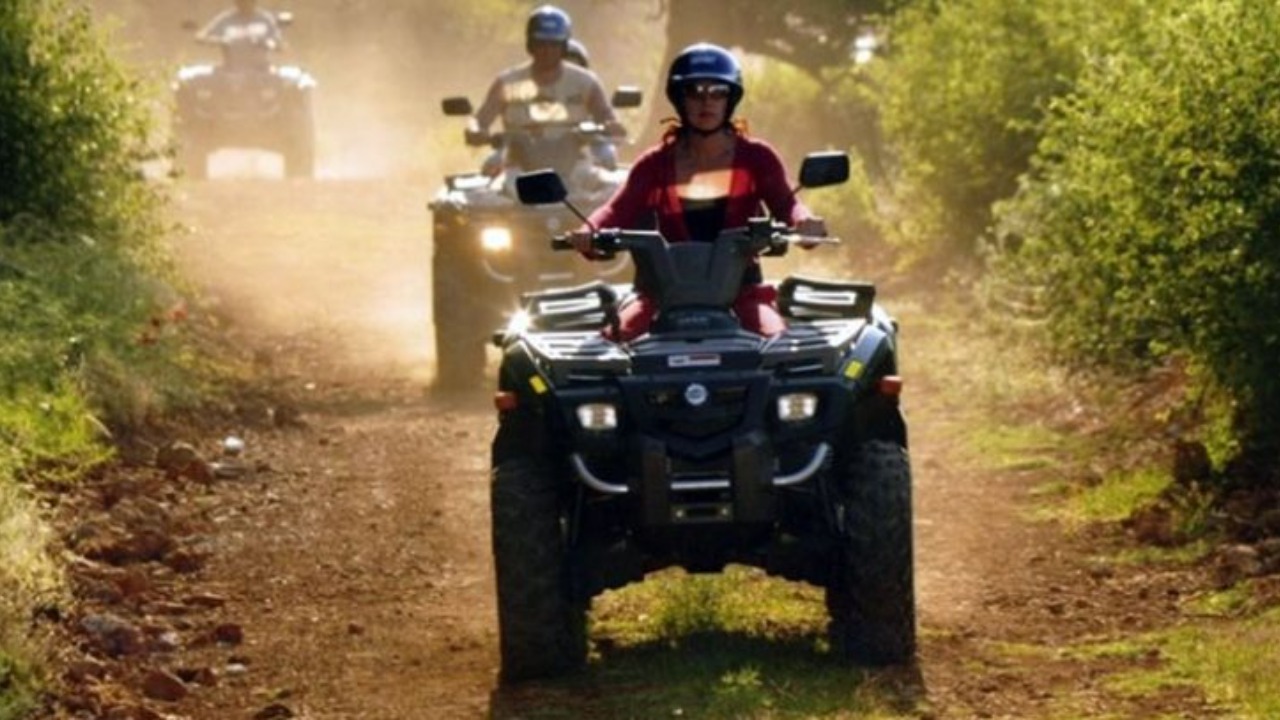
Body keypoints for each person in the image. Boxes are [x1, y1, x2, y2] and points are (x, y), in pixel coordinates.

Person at [570, 42, 827, 342]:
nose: (707, 102)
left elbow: (788, 205)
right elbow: (616, 210)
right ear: (679, 99)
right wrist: (589, 230)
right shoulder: (654, 163)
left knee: (777, 344)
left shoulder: (758, 157)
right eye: (694, 91)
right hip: (660, 296)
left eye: (718, 91)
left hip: (743, 292)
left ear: (731, 99)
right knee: (612, 345)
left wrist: (804, 222)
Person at [470, 5, 623, 179]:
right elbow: (479, 120)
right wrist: (476, 131)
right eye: (540, 43)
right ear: (530, 45)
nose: (547, 51)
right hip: (516, 169)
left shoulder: (585, 82)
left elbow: (607, 117)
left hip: (577, 168)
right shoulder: (507, 82)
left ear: (564, 47)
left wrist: (611, 127)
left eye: (554, 44)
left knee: (608, 185)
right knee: (489, 185)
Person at [196, 0, 283, 70]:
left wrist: (265, 43)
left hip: (261, 68)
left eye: (247, 1)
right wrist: (220, 40)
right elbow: (200, 36)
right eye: (240, 1)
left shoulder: (265, 19)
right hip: (231, 68)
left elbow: (278, 44)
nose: (244, 4)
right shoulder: (226, 19)